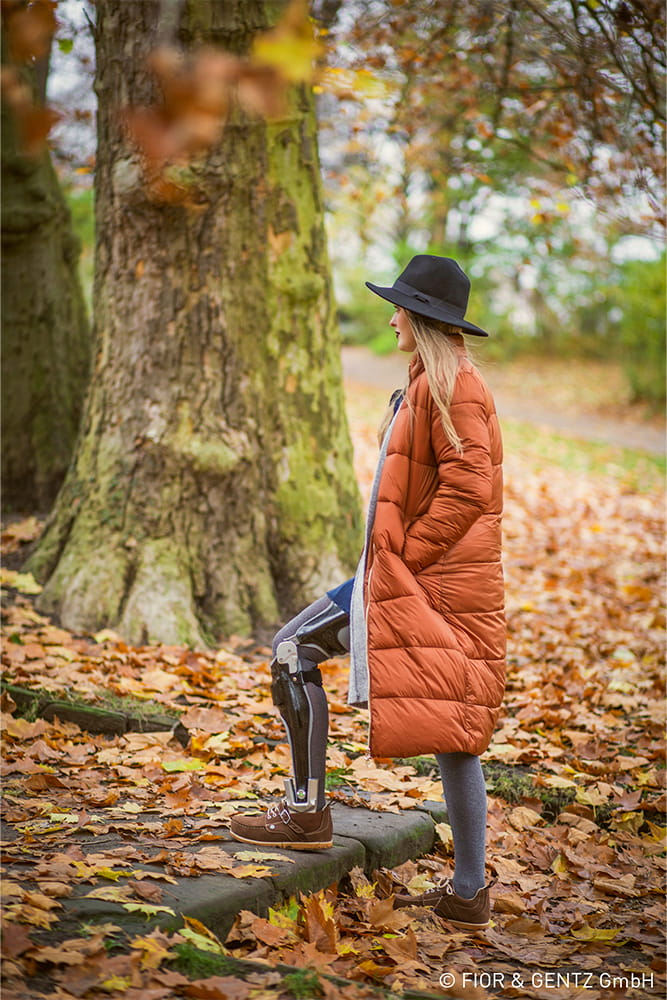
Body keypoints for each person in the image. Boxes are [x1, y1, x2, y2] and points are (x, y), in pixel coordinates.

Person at [230, 255, 505, 929]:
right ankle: (468, 892)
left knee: (293, 647)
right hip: (432, 581)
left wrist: (403, 557)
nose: (390, 319)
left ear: (422, 320)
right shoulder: (433, 382)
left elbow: (471, 485)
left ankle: (306, 813)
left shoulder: (454, 387)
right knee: (455, 730)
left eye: (399, 310)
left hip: (423, 581)